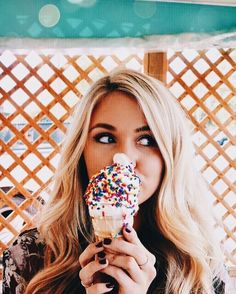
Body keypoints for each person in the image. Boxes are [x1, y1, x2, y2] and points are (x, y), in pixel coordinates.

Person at [2, 69, 227, 294]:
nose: (124, 158)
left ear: (171, 154)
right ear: (81, 151)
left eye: (146, 140)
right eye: (106, 138)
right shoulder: (31, 256)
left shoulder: (199, 262)